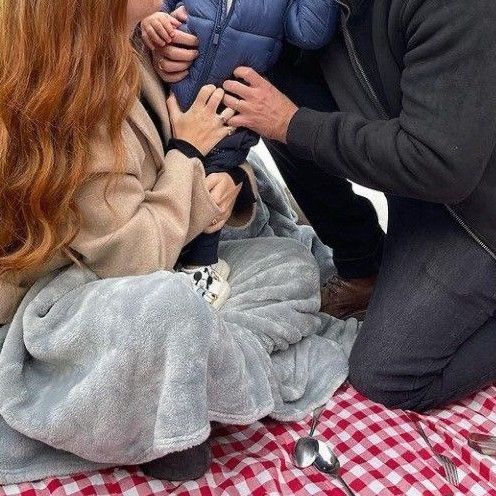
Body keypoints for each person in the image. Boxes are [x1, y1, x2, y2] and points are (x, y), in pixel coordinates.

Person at [0, 0, 353, 484]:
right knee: (166, 309)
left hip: (163, 262)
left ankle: (187, 377)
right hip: (70, 299)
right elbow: (131, 259)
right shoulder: (68, 93)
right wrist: (189, 153)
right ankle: (190, 395)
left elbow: (195, 149)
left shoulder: (140, 43)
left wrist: (232, 186)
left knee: (290, 264)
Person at [157, 0, 496, 411]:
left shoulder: (462, 10)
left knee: (387, 375)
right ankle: (364, 265)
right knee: (263, 84)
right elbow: (243, 29)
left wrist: (292, 124)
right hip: (417, 172)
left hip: (474, 212)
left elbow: (442, 166)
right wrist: (172, 40)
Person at [140, 0, 339, 308]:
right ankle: (155, 256)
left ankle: (202, 265)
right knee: (163, 177)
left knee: (214, 188)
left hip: (230, 116)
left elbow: (309, 32)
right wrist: (152, 21)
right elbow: (158, 6)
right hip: (169, 102)